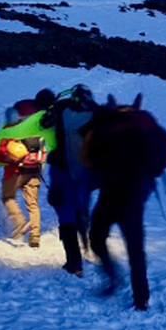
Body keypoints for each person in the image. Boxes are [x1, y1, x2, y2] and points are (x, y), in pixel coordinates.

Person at [79, 93, 166, 311]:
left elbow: (87, 159)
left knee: (96, 236)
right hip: (136, 192)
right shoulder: (145, 123)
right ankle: (141, 298)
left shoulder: (105, 124)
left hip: (111, 190)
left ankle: (113, 277)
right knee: (135, 247)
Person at [40, 85, 100, 277]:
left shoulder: (59, 111)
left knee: (65, 217)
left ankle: (74, 264)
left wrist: (0, 136)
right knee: (81, 208)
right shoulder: (97, 115)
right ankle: (90, 247)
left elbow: (36, 125)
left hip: (62, 173)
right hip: (87, 174)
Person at [0, 90, 57, 248]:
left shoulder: (18, 127)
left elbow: (1, 152)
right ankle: (35, 237)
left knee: (8, 198)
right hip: (35, 168)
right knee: (33, 204)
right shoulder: (45, 124)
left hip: (14, 170)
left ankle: (20, 222)